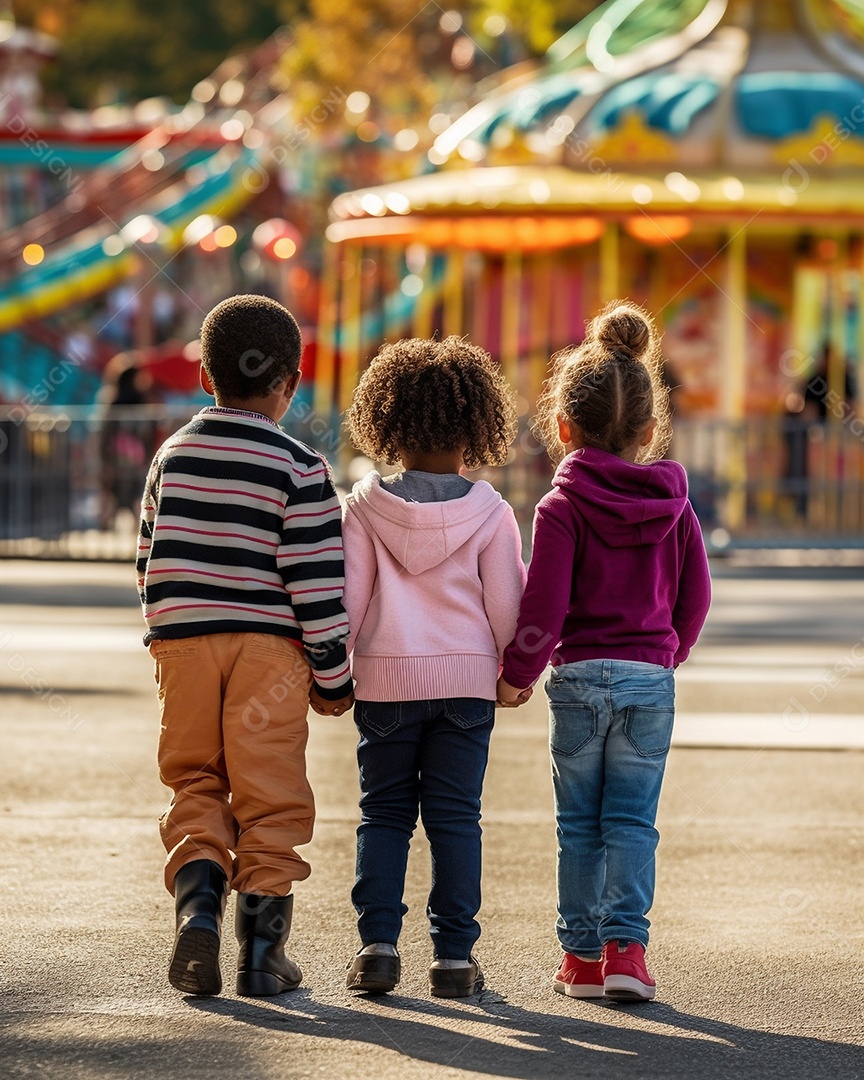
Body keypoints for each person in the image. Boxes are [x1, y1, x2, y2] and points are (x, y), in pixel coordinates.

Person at [136, 294, 354, 998]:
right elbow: (318, 587)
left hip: (185, 645)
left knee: (195, 780)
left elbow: (147, 559)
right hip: (270, 654)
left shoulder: (172, 454)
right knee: (270, 794)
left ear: (206, 378)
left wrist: (166, 634)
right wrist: (333, 677)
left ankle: (197, 907)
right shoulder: (302, 468)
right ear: (289, 381)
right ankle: (263, 955)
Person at [497, 302, 711, 1003]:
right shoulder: (675, 505)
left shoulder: (562, 508)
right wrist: (665, 654)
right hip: (649, 679)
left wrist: (518, 674)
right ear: (651, 431)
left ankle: (581, 960)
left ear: (562, 427)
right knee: (632, 821)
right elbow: (697, 596)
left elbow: (544, 605)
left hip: (581, 679)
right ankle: (629, 952)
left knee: (578, 823)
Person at [341, 336, 526, 998]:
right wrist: (516, 673)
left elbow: (349, 603)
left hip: (385, 684)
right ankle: (453, 959)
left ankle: (377, 949)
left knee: (383, 814)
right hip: (467, 687)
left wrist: (333, 674)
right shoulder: (491, 513)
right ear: (478, 423)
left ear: (386, 422)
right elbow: (509, 607)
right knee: (455, 818)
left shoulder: (362, 509)